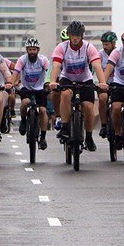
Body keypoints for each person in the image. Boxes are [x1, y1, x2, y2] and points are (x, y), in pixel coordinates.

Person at [49, 21, 109, 152]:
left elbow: (97, 66)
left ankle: (88, 137)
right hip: (67, 79)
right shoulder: (61, 47)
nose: (75, 38)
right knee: (64, 94)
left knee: (88, 107)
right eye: (72, 35)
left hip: (85, 80)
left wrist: (102, 82)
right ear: (69, 35)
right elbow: (56, 66)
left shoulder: (89, 47)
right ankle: (65, 126)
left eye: (78, 35)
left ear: (82, 35)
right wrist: (53, 81)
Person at [12, 37, 50, 149]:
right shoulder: (22, 60)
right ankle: (23, 120)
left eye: (34, 49)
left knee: (43, 110)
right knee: (25, 103)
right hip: (26, 88)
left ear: (38, 50)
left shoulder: (43, 60)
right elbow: (16, 72)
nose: (32, 52)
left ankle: (43, 137)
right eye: (30, 49)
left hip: (40, 88)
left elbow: (50, 72)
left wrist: (50, 83)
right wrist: (11, 83)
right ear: (27, 50)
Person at [97, 31, 118, 138]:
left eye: (107, 44)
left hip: (117, 83)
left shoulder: (119, 53)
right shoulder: (100, 54)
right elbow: (94, 67)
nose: (105, 47)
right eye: (103, 44)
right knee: (102, 98)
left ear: (114, 43)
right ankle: (104, 125)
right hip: (104, 83)